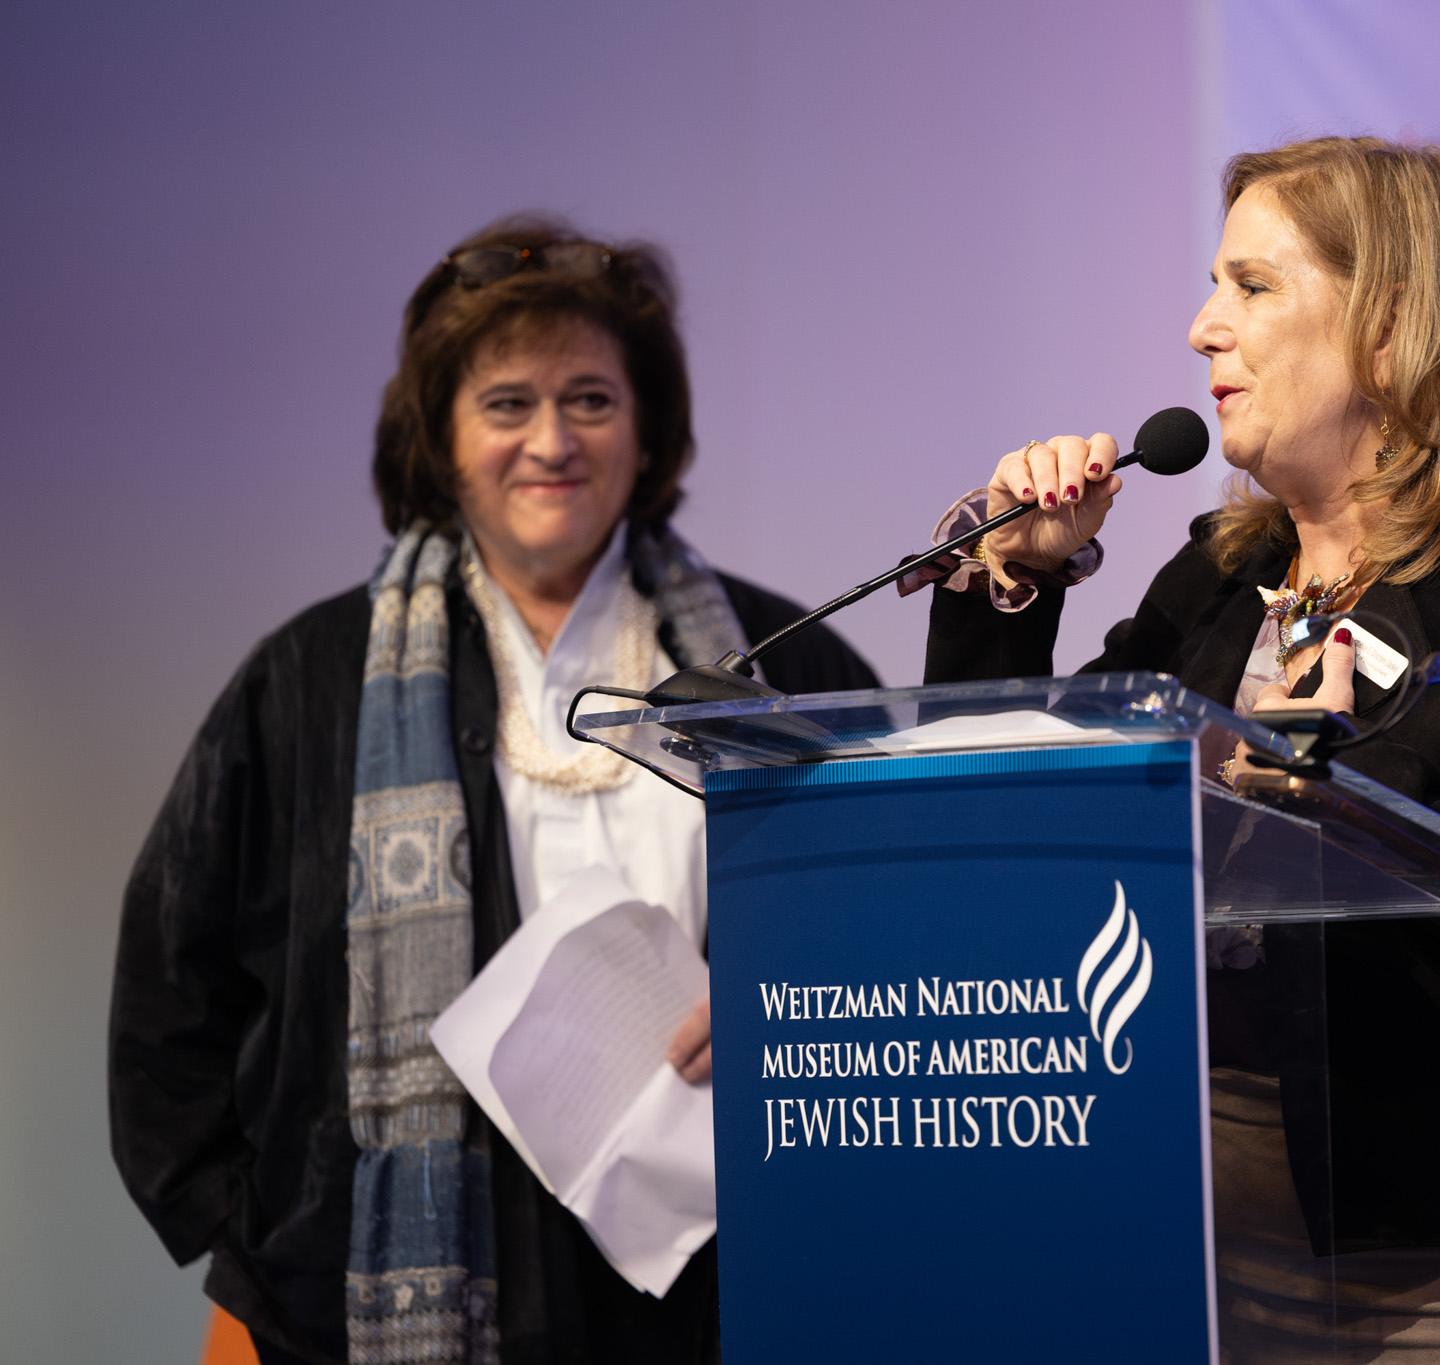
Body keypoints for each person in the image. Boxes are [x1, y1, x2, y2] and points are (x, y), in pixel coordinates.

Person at [916, 137, 1440, 1362]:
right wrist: (1013, 579)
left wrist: (1342, 792)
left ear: (1391, 328)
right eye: (1213, 287)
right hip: (1200, 1220)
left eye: (1251, 286)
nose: (1200, 329)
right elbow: (1010, 814)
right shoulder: (1220, 577)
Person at [110, 216, 877, 1365]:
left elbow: (892, 943)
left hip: (729, 1291)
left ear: (647, 430)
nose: (552, 442)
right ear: (440, 438)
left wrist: (790, 1001)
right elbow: (168, 1000)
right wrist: (268, 1251)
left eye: (591, 400)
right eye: (507, 404)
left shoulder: (783, 663)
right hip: (385, 1296)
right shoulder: (307, 683)